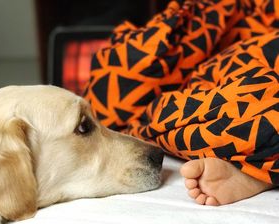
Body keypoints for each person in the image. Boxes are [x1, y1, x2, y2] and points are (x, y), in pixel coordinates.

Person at [84, 0, 279, 205]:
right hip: (233, 47)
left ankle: (260, 169)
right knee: (124, 79)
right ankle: (259, 163)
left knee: (249, 99)